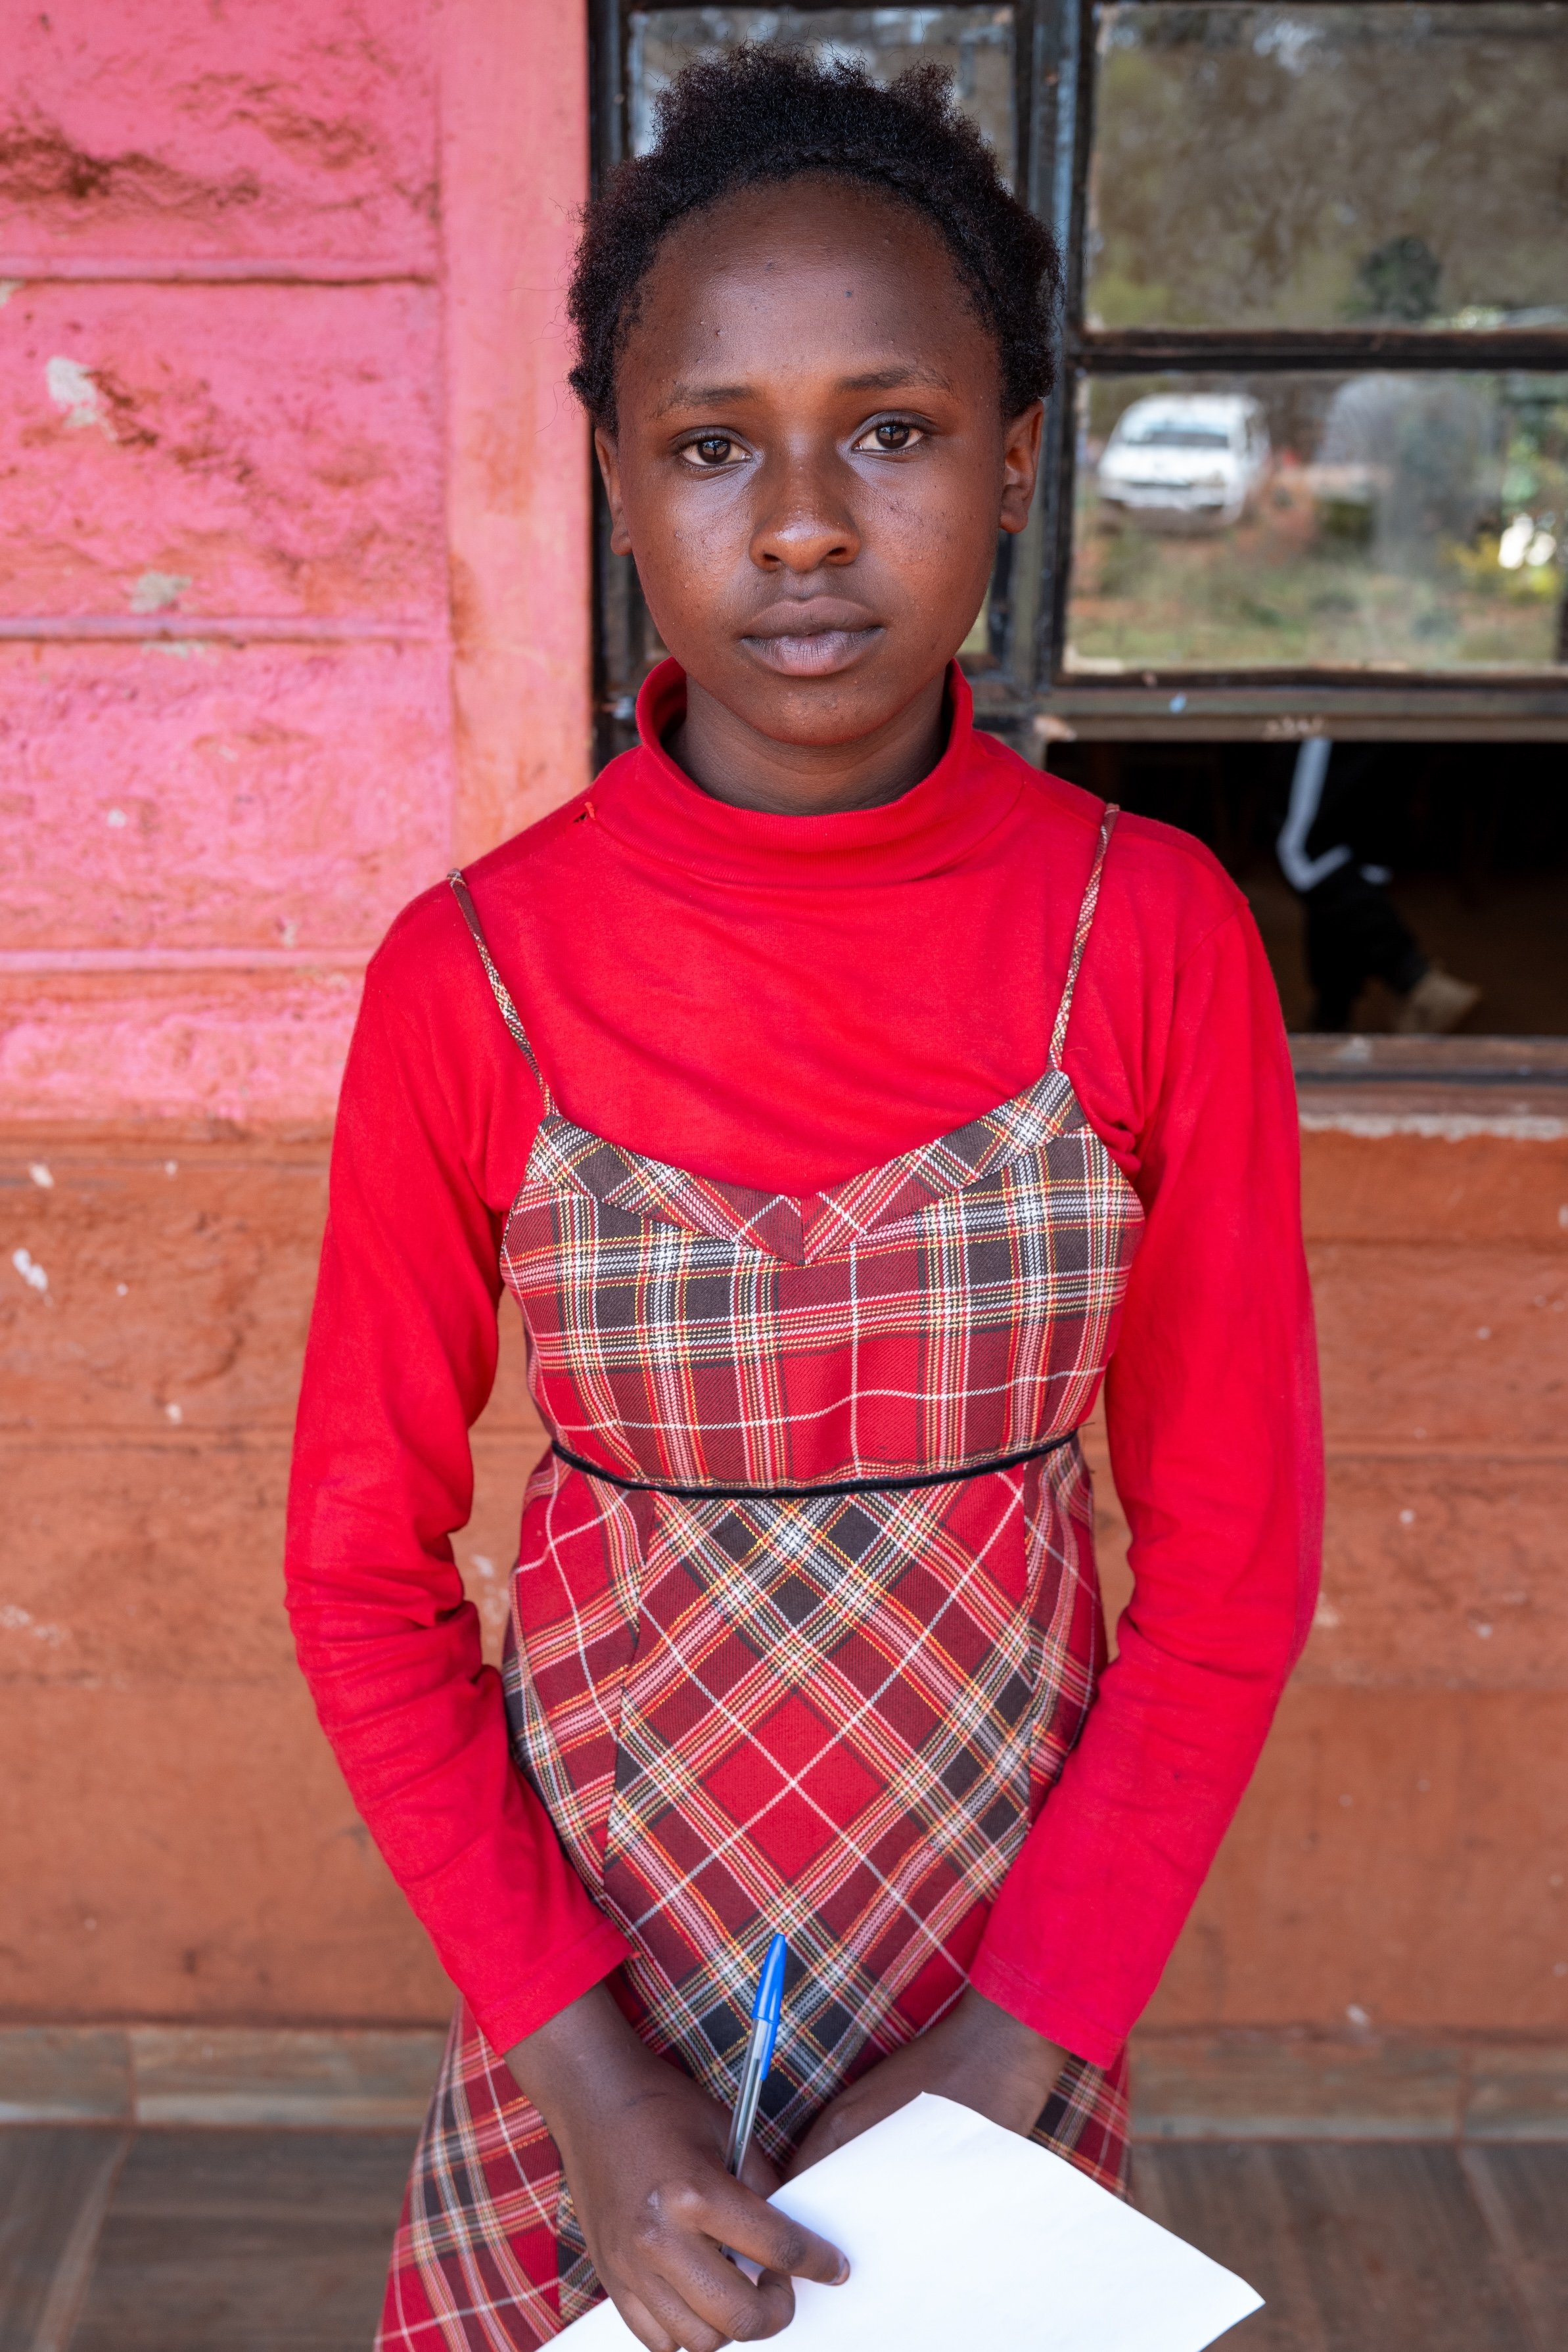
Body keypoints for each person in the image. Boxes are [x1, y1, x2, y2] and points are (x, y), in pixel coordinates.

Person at [286, 47, 1320, 2352]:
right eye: (710, 443)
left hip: (998, 1971)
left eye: (890, 428)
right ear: (616, 484)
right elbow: (357, 1574)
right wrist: (591, 2079)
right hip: (586, 1992)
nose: (803, 526)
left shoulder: (1141, 942)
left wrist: (1021, 2039)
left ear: (1018, 461)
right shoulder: (471, 977)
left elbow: (1232, 1557)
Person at [1277, 738, 1482, 1032]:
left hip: (1338, 706)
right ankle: (1332, 1014)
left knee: (1306, 851)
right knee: (1357, 856)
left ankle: (1413, 977)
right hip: (1395, 711)